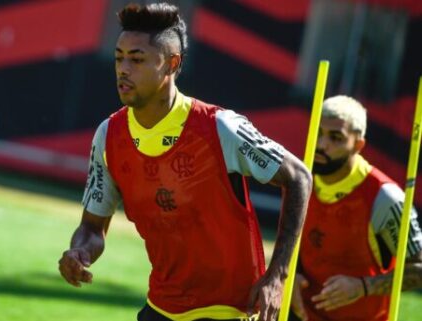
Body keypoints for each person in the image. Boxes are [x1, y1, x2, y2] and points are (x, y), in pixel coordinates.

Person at [58, 3, 312, 321]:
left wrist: (278, 275)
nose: (123, 69)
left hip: (230, 311)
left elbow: (299, 177)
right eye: (119, 58)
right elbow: (92, 227)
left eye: (136, 59)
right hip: (162, 308)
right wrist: (80, 251)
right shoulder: (108, 136)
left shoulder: (220, 127)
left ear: (171, 64)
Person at [290, 95, 422, 321]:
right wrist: (290, 277)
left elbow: (419, 269)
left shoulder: (385, 197)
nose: (322, 145)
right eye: (319, 133)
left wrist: (364, 287)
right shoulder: (300, 179)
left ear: (358, 145)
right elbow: (295, 246)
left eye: (336, 138)